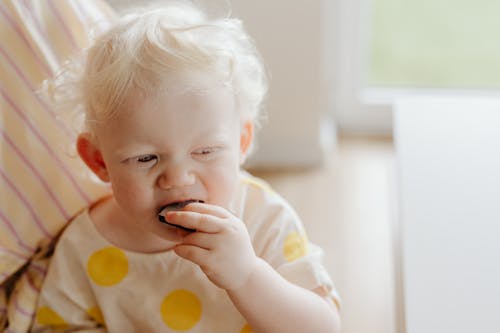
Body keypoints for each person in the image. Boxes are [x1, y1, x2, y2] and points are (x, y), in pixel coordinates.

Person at [30, 1, 341, 332]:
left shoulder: (264, 219)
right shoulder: (83, 246)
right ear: (99, 160)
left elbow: (323, 327)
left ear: (242, 142)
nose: (177, 179)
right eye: (146, 158)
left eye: (205, 151)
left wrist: (248, 275)